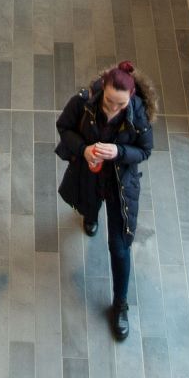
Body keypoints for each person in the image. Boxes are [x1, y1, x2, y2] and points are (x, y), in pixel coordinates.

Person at [55, 60, 157, 340]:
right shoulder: (84, 102)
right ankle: (90, 215)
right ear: (103, 89)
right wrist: (85, 149)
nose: (113, 108)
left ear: (131, 98)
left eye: (120, 104)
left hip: (120, 186)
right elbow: (64, 127)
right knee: (90, 204)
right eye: (110, 101)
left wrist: (119, 151)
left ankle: (120, 303)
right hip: (89, 175)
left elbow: (145, 151)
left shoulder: (137, 115)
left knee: (119, 246)